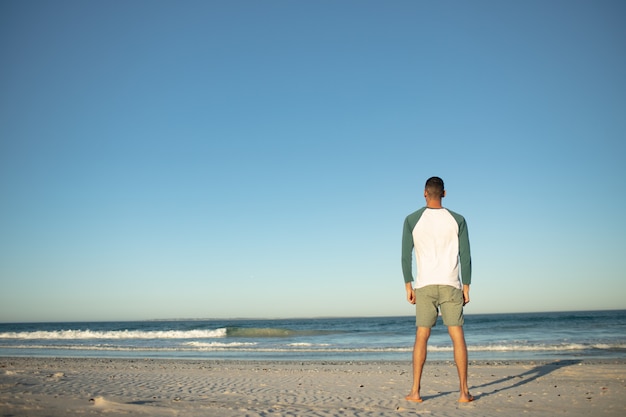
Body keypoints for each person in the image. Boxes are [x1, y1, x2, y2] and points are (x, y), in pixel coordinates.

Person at [401, 176, 474, 403]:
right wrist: (467, 287)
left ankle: (415, 392)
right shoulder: (458, 219)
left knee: (422, 336)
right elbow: (466, 256)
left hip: (424, 285)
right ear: (444, 193)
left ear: (424, 193)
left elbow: (405, 256)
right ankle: (463, 393)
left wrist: (408, 286)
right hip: (451, 284)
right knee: (457, 336)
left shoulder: (412, 219)